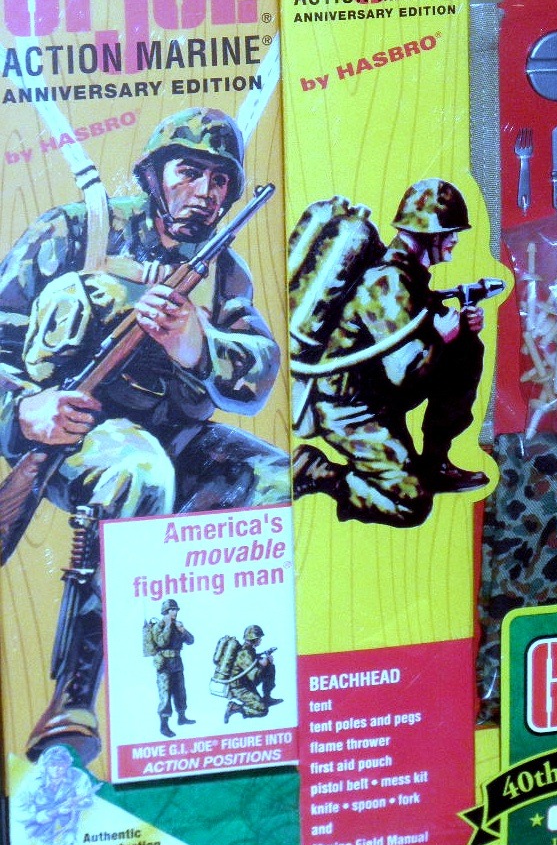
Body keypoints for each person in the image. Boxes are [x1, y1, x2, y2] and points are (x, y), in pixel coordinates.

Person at [0, 106, 289, 763]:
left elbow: (259, 371)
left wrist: (197, 342)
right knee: (139, 472)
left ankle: (226, 687)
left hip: (177, 436)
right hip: (80, 434)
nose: (204, 192)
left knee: (276, 480)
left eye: (220, 180)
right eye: (189, 172)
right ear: (154, 176)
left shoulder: (222, 271)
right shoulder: (76, 231)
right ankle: (75, 694)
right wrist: (22, 412)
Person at [290, 178, 490, 527]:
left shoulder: (406, 273)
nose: (455, 240)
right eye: (450, 232)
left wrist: (459, 331)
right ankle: (317, 470)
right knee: (410, 504)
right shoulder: (389, 281)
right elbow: (406, 371)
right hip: (347, 408)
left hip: (375, 393)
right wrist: (445, 336)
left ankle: (436, 464)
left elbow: (413, 332)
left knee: (466, 349)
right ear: (429, 234)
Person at [18, 745, 98, 845]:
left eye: (61, 765)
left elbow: (88, 801)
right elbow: (19, 810)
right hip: (42, 824)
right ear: (46, 766)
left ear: (67, 765)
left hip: (68, 822)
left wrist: (73, 804)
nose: (57, 769)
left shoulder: (78, 777)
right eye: (52, 765)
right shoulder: (33, 782)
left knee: (68, 843)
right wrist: (41, 816)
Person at [148, 599, 195, 738]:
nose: (174, 612)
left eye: (175, 609)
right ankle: (164, 726)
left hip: (177, 664)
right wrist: (168, 626)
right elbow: (162, 642)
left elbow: (191, 640)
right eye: (171, 610)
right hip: (164, 665)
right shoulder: (158, 626)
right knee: (165, 695)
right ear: (165, 612)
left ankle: (182, 717)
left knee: (180, 692)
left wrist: (183, 630)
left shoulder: (177, 625)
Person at [223, 624, 281, 722]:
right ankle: (234, 708)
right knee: (262, 710)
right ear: (254, 639)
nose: (260, 640)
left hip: (245, 683)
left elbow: (252, 661)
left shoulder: (248, 650)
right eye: (259, 638)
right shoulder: (244, 653)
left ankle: (267, 698)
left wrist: (265, 660)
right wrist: (264, 663)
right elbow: (253, 676)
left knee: (270, 667)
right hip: (238, 688)